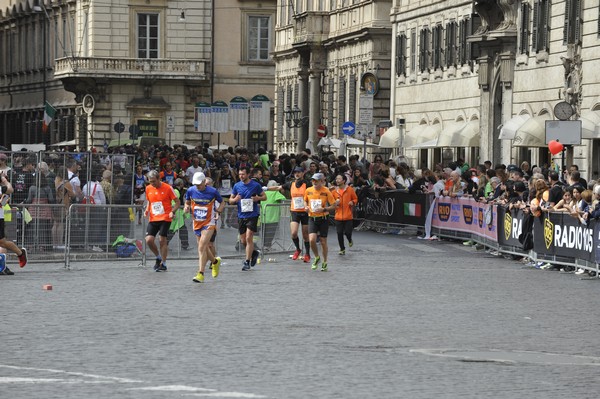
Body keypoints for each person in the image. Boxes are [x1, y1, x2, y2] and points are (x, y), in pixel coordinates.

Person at [184, 172, 224, 283]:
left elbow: (222, 202)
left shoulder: (212, 191)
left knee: (202, 247)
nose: (197, 186)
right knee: (204, 247)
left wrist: (218, 211)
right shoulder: (191, 190)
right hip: (197, 222)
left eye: (199, 184)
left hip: (209, 222)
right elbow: (187, 203)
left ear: (203, 182)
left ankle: (200, 274)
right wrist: (186, 208)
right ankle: (215, 262)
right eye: (195, 184)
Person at [229, 166, 266, 271]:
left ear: (248, 174)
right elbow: (230, 201)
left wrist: (257, 198)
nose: (241, 176)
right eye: (240, 174)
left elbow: (264, 196)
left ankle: (247, 262)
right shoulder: (237, 186)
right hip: (241, 215)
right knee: (243, 241)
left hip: (252, 215)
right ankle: (254, 253)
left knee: (249, 237)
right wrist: (235, 199)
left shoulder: (255, 185)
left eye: (243, 174)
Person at [144, 169, 179, 272]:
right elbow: (149, 201)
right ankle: (158, 257)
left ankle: (163, 263)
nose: (152, 184)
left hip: (165, 217)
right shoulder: (148, 188)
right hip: (154, 218)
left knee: (162, 240)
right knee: (149, 240)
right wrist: (146, 210)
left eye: (154, 181)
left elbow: (177, 202)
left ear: (159, 178)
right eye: (150, 181)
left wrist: (173, 211)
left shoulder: (168, 188)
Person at [304, 172, 337, 271]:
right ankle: (317, 257)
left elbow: (334, 205)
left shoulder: (326, 191)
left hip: (323, 219)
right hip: (312, 218)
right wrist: (306, 206)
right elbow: (305, 200)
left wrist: (324, 209)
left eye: (316, 180)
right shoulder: (308, 190)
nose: (314, 182)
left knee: (323, 242)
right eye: (313, 180)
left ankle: (325, 262)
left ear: (321, 181)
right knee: (312, 240)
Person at [0, 172, 28, 275]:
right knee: (2, 242)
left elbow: (10, 190)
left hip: (1, 217)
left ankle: (20, 254)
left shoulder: (2, 190)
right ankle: (19, 254)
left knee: (3, 242)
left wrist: (5, 181)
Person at [284, 166, 311, 262]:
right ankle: (298, 249)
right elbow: (279, 187)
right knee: (294, 233)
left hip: (305, 212)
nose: (297, 174)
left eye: (299, 172)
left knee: (305, 235)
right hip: (294, 211)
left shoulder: (307, 184)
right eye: (295, 172)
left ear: (303, 173)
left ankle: (307, 253)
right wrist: (265, 188)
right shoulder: (291, 184)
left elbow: (315, 190)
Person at [331, 174, 358, 255]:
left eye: (339, 179)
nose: (337, 180)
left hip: (348, 216)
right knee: (339, 233)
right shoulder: (334, 191)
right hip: (338, 216)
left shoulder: (350, 190)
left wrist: (352, 202)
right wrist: (335, 203)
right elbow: (331, 202)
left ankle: (349, 239)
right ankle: (342, 249)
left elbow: (355, 198)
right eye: (336, 179)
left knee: (348, 232)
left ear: (344, 181)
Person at [260, 180, 287, 251]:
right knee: (271, 233)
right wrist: (282, 192)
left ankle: (264, 246)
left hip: (264, 216)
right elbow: (283, 199)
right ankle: (267, 246)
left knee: (264, 233)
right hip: (273, 217)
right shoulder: (275, 193)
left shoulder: (264, 192)